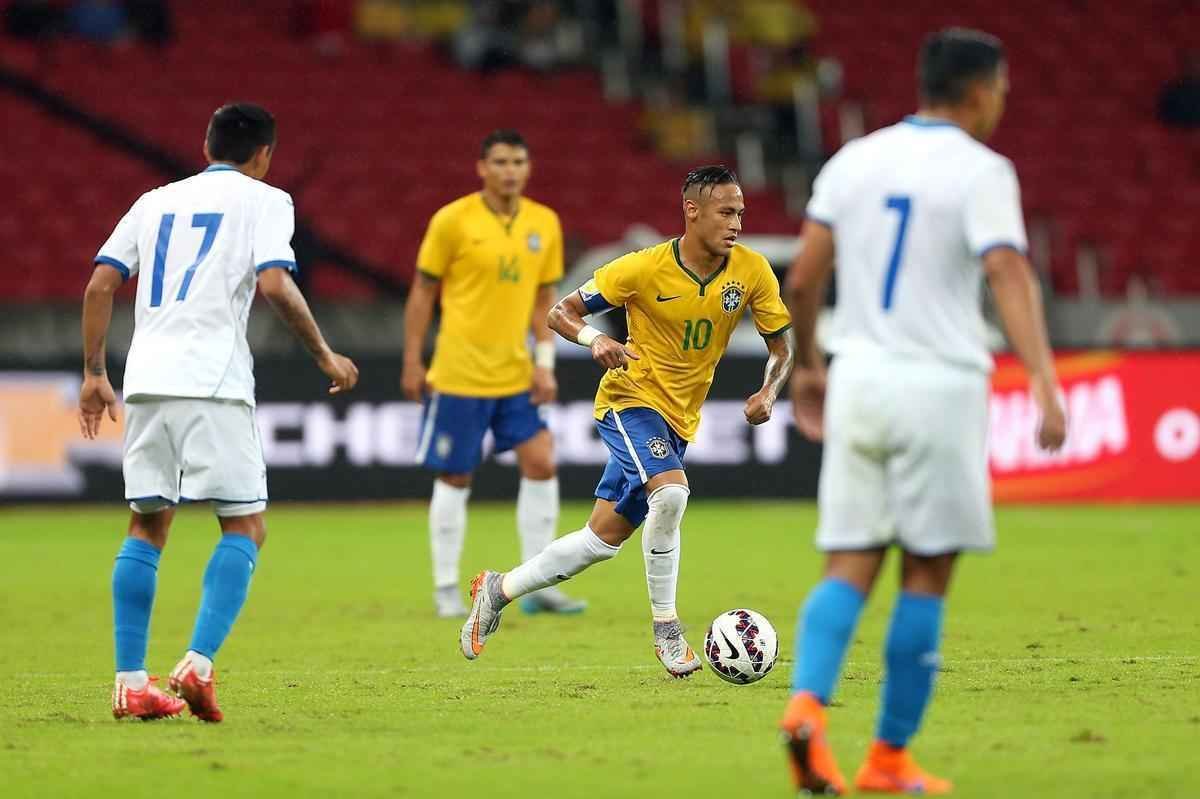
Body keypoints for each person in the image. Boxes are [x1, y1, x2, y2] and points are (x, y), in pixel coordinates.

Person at [779, 28, 1069, 795]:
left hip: (861, 379)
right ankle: (888, 757)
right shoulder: (982, 171)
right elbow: (1005, 266)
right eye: (1001, 87)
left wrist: (808, 365)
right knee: (927, 570)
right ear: (977, 90)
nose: (1002, 101)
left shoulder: (855, 159)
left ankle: (805, 705)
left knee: (849, 559)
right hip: (939, 384)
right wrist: (1042, 378)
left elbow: (804, 277)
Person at [80, 103, 359, 722]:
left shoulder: (152, 202)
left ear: (205, 145)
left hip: (146, 379)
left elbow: (101, 284)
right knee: (245, 526)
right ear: (264, 155)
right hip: (213, 382)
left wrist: (96, 374)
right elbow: (276, 284)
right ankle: (196, 665)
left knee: (147, 525)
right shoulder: (267, 200)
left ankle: (131, 683)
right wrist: (325, 355)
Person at [458, 165, 795, 677]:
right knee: (673, 493)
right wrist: (596, 340)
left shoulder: (752, 271)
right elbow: (560, 312)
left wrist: (770, 389)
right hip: (628, 401)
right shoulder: (641, 268)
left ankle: (498, 590)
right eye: (726, 212)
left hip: (680, 420)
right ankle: (667, 629)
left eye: (741, 213)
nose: (736, 224)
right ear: (692, 211)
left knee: (600, 542)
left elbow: (781, 347)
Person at [403, 129, 585, 618]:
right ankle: (445, 588)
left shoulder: (544, 223)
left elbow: (545, 302)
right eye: (501, 162)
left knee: (542, 463)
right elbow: (423, 291)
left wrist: (545, 364)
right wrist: (412, 360)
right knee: (456, 476)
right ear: (481, 167)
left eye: (519, 162)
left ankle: (536, 583)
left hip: (516, 373)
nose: (510, 170)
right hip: (459, 373)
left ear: (528, 168)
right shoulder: (452, 221)